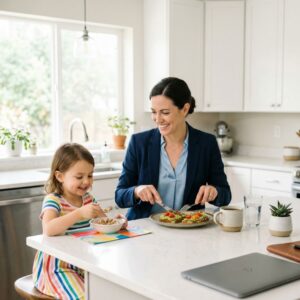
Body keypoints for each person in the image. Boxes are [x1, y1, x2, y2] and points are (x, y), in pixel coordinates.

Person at [115, 77, 231, 220]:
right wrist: (137, 191)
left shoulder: (206, 143)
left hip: (188, 229)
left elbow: (225, 195)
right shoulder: (139, 143)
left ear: (185, 109)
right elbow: (119, 195)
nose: (157, 119)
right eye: (153, 111)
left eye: (165, 112)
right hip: (145, 229)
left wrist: (214, 192)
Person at [32, 143, 125, 299]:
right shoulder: (53, 200)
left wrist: (118, 223)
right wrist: (79, 213)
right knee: (86, 296)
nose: (86, 181)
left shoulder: (88, 199)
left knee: (109, 292)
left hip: (82, 264)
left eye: (90, 175)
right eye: (79, 176)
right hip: (56, 269)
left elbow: (104, 222)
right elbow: (48, 229)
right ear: (60, 176)